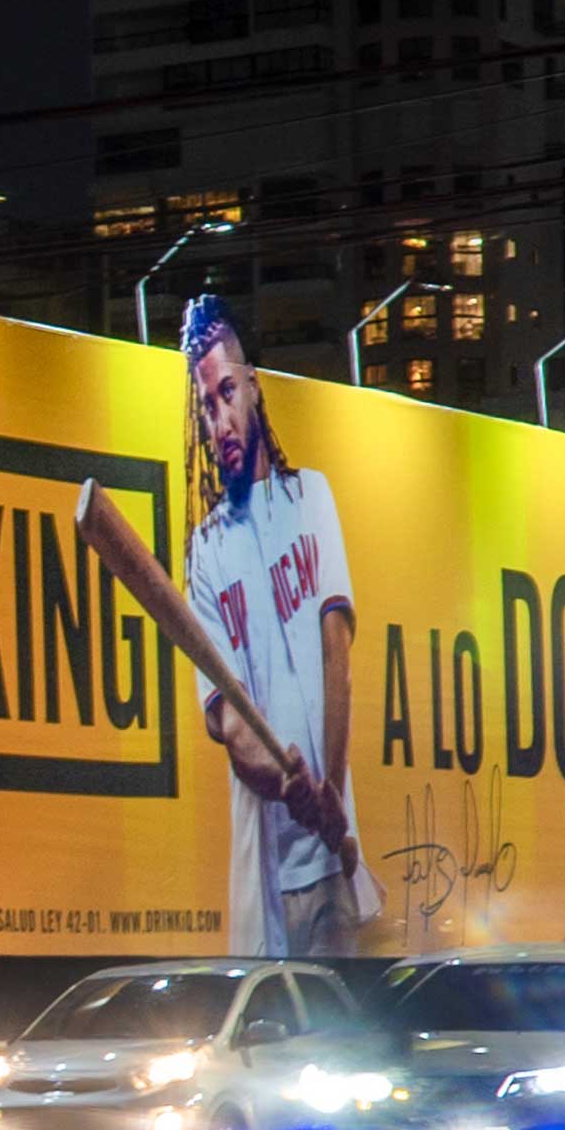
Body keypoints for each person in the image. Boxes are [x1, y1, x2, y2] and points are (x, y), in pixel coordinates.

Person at [177, 297, 364, 956]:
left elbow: (336, 652)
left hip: (335, 861)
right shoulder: (205, 554)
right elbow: (229, 722)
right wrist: (289, 785)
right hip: (269, 876)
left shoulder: (310, 497)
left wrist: (330, 789)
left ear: (254, 387)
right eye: (208, 406)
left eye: (228, 392)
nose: (221, 419)